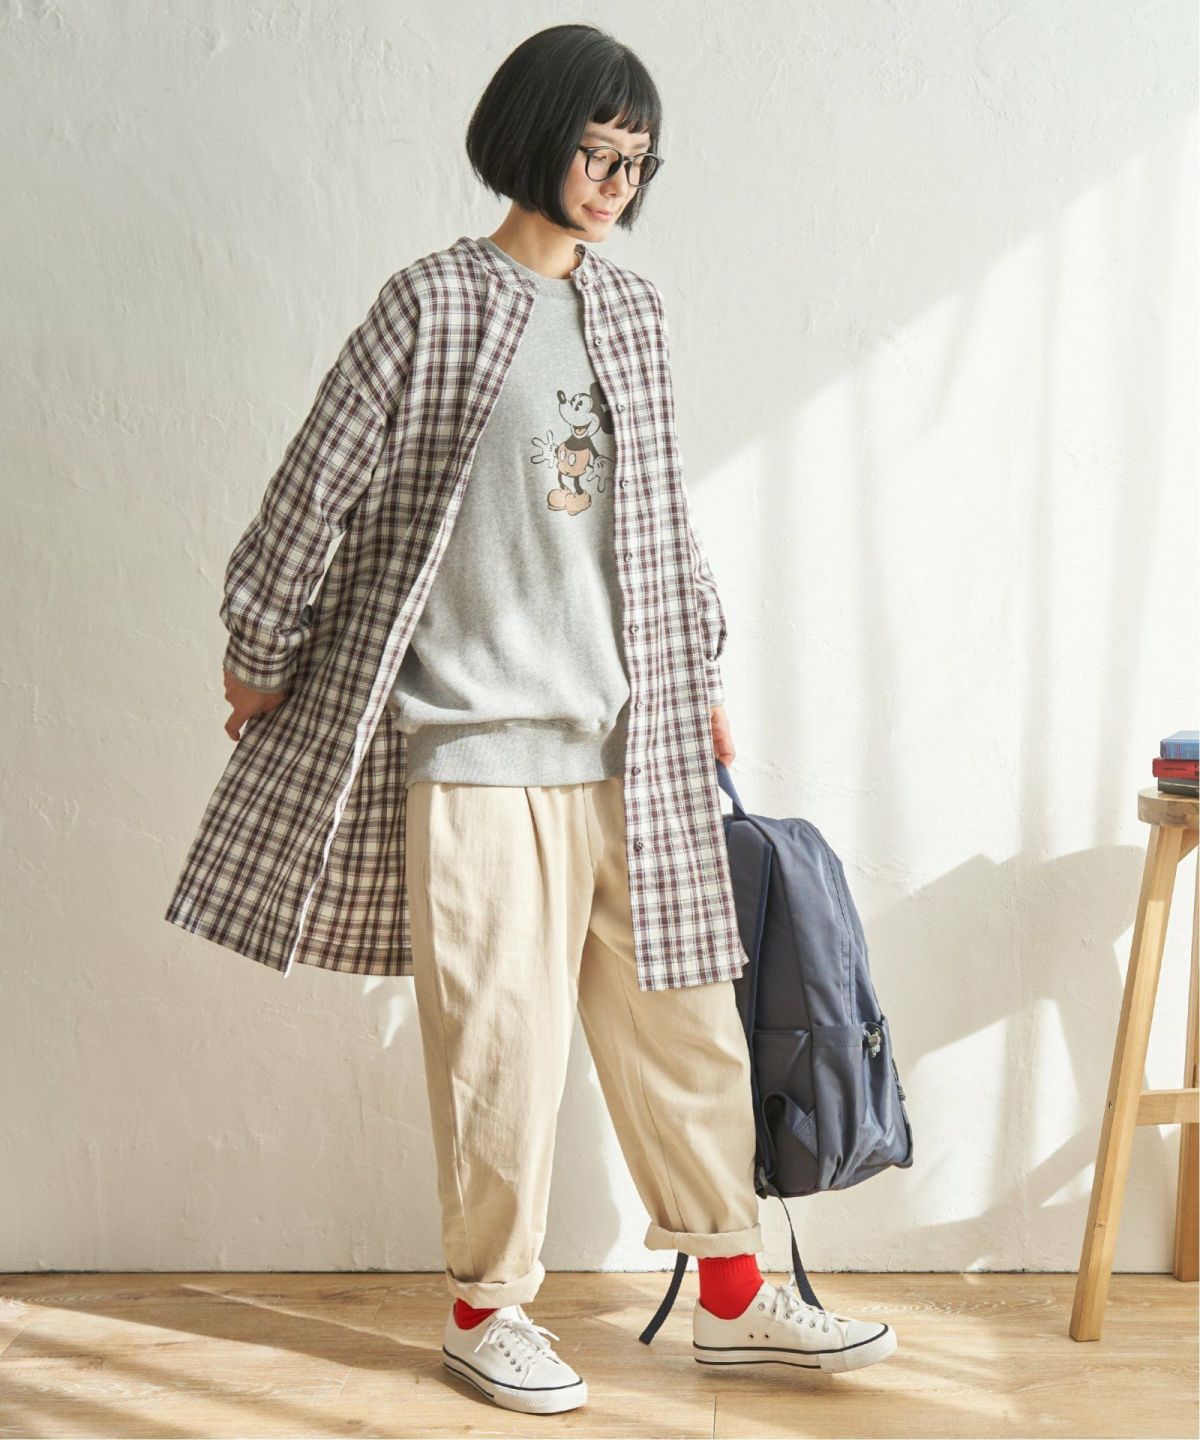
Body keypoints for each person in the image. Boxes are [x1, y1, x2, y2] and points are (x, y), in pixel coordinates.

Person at [216, 21, 897, 1417]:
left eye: (637, 162)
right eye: (597, 150)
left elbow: (663, 520)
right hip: (476, 748)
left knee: (687, 1028)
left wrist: (702, 677)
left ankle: (731, 1300)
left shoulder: (635, 313)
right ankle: (487, 1311)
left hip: (631, 747)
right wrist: (259, 651)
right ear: (533, 136)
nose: (615, 182)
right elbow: (309, 492)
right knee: (500, 1048)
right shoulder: (432, 305)